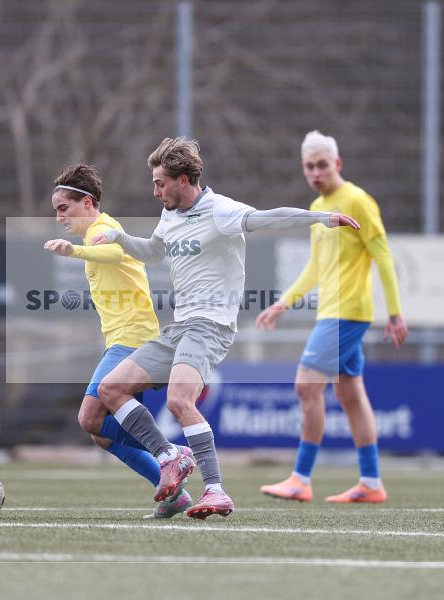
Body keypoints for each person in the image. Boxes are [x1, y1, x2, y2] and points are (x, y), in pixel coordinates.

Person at [93, 137, 359, 519]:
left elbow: (269, 217)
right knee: (111, 389)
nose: (155, 191)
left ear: (183, 180)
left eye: (160, 183)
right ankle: (169, 456)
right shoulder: (170, 215)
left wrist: (320, 218)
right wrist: (119, 237)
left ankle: (216, 491)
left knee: (179, 401)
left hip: (211, 326)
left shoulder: (220, 211)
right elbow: (153, 251)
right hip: (179, 327)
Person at [257, 131, 408, 504]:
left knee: (307, 388)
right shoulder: (317, 210)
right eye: (309, 166)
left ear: (337, 164)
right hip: (332, 312)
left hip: (348, 312)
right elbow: (315, 267)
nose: (315, 172)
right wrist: (283, 303)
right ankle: (371, 482)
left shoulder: (357, 200)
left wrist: (394, 312)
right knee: (350, 395)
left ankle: (300, 478)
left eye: (322, 165)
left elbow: (383, 255)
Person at [43, 163, 193, 519]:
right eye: (56, 211)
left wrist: (73, 252)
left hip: (133, 340)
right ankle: (174, 493)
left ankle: (170, 453)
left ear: (88, 203)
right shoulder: (94, 232)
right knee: (104, 434)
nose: (60, 217)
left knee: (89, 418)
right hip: (125, 339)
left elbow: (113, 252)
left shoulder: (104, 228)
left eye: (64, 208)